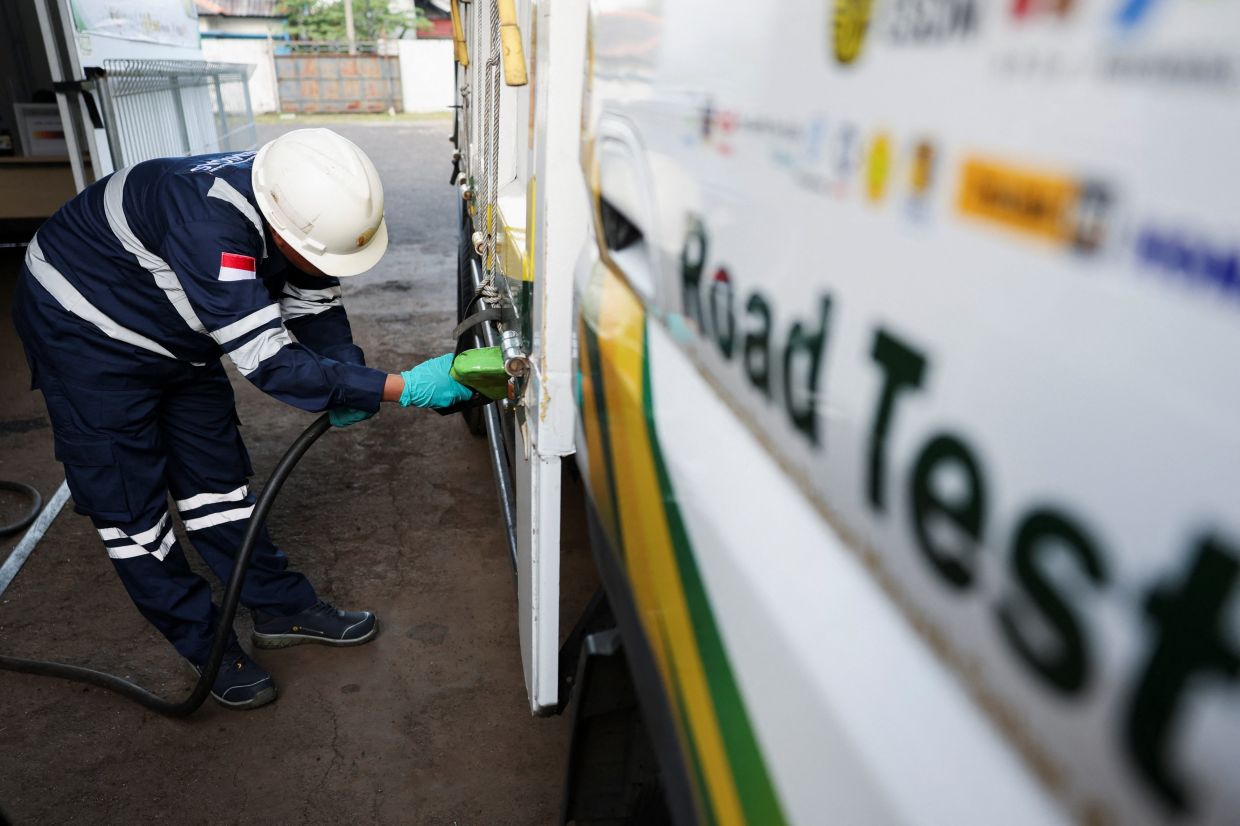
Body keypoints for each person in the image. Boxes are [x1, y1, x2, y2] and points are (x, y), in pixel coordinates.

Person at [11, 128, 472, 710]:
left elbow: (313, 303)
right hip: (86, 339)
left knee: (218, 485)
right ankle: (206, 646)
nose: (325, 265)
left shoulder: (296, 199)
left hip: (178, 336)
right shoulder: (210, 226)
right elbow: (270, 360)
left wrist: (344, 374)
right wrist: (400, 388)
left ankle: (280, 607)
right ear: (281, 230)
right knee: (131, 511)